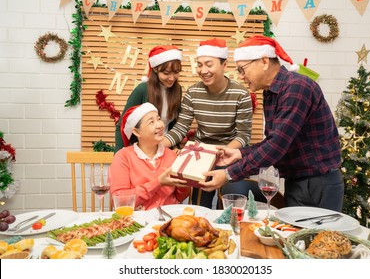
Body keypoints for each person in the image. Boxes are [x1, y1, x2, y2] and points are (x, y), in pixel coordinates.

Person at [200, 35, 344, 212]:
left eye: (242, 69)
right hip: (296, 181)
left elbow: (276, 146)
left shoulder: (296, 87)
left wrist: (229, 174)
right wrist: (239, 153)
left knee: (322, 239)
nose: (241, 76)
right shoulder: (271, 93)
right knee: (294, 238)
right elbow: (273, 141)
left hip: (318, 184)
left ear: (264, 61)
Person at [162, 38, 253, 208]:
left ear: (224, 64)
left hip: (229, 156)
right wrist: (157, 145)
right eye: (199, 65)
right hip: (201, 158)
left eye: (209, 64)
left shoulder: (240, 94)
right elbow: (181, 128)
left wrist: (222, 152)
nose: (203, 70)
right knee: (199, 206)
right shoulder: (193, 92)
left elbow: (243, 136)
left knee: (225, 207)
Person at [110, 102, 190, 210]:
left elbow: (180, 197)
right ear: (137, 132)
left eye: (159, 119)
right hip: (138, 222)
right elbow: (120, 201)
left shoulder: (172, 155)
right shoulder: (123, 157)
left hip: (169, 220)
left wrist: (183, 184)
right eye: (151, 122)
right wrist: (158, 183)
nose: (160, 125)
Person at [115, 45, 183, 152]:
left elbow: (173, 124)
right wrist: (119, 156)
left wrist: (174, 146)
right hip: (143, 149)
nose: (171, 78)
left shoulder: (177, 90)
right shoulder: (142, 89)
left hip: (165, 148)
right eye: (166, 73)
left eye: (176, 72)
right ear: (155, 69)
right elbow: (122, 125)